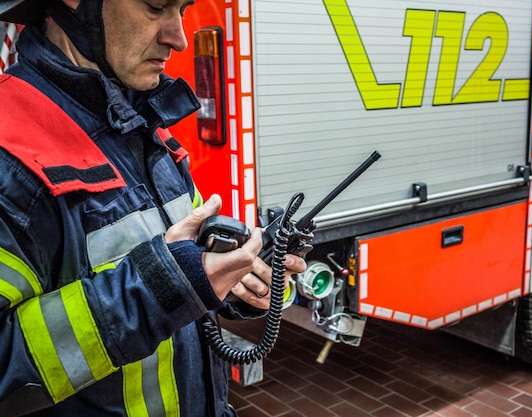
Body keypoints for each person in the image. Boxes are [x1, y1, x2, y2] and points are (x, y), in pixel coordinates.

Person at [0, 0, 306, 416]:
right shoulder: (8, 154)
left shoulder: (139, 125)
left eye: (181, 9)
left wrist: (229, 280)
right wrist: (161, 286)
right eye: (156, 6)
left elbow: (183, 263)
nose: (178, 37)